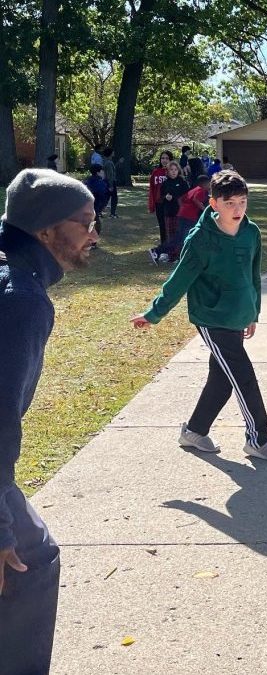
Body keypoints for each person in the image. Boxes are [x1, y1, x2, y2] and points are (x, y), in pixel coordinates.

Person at [0, 168, 98, 674]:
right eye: (84, 222)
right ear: (45, 231)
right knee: (29, 561)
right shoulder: (21, 299)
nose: (94, 234)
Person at [131, 170, 267, 462]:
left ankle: (194, 431)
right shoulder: (200, 239)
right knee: (243, 377)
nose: (238, 209)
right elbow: (180, 279)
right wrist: (154, 313)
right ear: (214, 203)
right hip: (212, 317)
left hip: (238, 315)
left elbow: (253, 275)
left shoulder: (251, 232)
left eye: (243, 201)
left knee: (222, 379)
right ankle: (259, 440)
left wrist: (253, 311)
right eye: (229, 203)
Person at [149, 174, 210, 264]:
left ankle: (188, 256)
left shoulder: (195, 189)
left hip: (184, 215)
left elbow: (181, 199)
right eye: (209, 184)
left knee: (183, 237)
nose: (209, 186)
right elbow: (195, 199)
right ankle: (157, 251)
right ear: (204, 184)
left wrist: (183, 208)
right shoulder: (200, 190)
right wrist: (204, 209)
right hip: (188, 217)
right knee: (180, 239)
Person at [153, 161, 188, 263]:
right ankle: (171, 256)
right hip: (169, 212)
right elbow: (161, 197)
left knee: (179, 234)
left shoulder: (182, 182)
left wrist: (175, 198)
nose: (173, 172)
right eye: (171, 170)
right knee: (170, 234)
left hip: (180, 212)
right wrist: (165, 197)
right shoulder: (165, 183)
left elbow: (186, 196)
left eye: (175, 170)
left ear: (178, 171)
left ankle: (179, 256)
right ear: (167, 171)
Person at [148, 150, 172, 243]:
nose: (164, 160)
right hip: (159, 203)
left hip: (170, 203)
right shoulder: (156, 172)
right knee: (162, 225)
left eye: (167, 158)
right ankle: (164, 245)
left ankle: (173, 246)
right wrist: (152, 204)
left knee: (170, 225)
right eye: (162, 158)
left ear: (170, 160)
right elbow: (152, 189)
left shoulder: (173, 171)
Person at [84, 163, 109, 236]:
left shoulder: (88, 180)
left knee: (92, 222)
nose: (103, 172)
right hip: (95, 205)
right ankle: (92, 241)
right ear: (98, 172)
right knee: (95, 223)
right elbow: (103, 194)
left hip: (87, 205)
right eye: (102, 171)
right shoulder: (100, 182)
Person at [102, 147, 118, 218]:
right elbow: (110, 175)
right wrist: (111, 185)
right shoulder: (108, 163)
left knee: (107, 197)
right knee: (114, 198)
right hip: (110, 182)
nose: (114, 153)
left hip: (108, 182)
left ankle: (99, 211)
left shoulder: (107, 162)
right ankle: (112, 213)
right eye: (113, 152)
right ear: (110, 153)